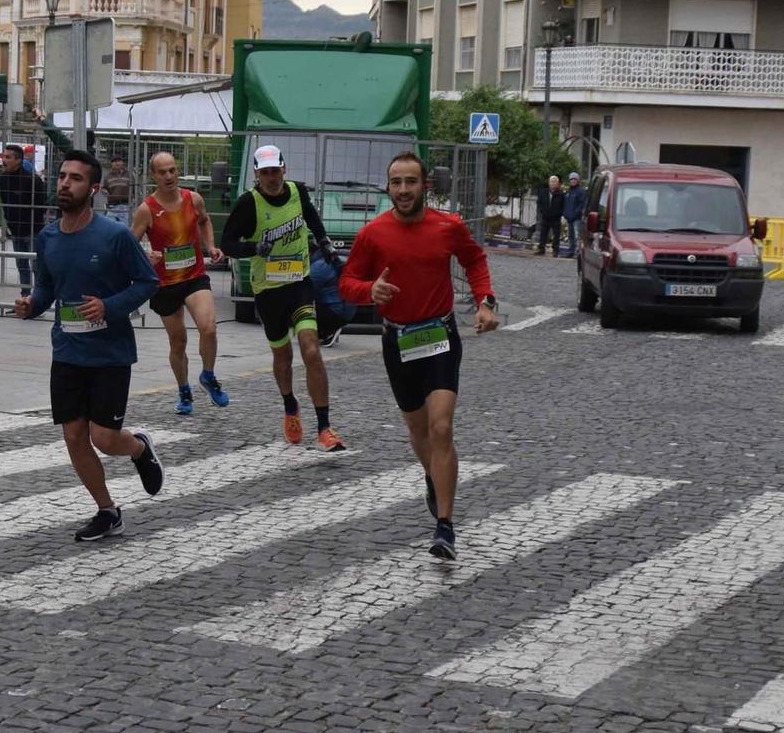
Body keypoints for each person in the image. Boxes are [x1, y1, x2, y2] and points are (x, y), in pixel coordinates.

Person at [340, 151, 499, 561]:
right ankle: (433, 475)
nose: (404, 190)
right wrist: (368, 292)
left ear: (425, 186)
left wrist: (485, 302)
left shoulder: (448, 226)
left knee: (441, 427)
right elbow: (348, 282)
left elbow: (475, 259)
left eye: (412, 182)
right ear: (388, 187)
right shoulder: (372, 234)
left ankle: (444, 525)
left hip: (440, 335)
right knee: (418, 431)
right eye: (397, 182)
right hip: (398, 341)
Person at [12, 150, 165, 541]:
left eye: (75, 178)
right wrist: (32, 303)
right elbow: (48, 286)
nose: (65, 183)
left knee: (104, 438)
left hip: (109, 354)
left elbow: (147, 282)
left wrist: (108, 307)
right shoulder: (47, 237)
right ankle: (107, 511)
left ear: (93, 188)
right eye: (62, 176)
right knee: (74, 436)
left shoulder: (113, 235)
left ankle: (137, 448)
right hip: (67, 352)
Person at [220, 144, 348, 451]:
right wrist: (253, 249)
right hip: (268, 290)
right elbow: (226, 243)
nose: (271, 178)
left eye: (275, 171)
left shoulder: (297, 192)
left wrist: (326, 245)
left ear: (284, 169)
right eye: (265, 173)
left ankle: (325, 427)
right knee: (283, 356)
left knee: (311, 349)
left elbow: (313, 221)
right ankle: (290, 408)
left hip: (298, 283)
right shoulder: (248, 203)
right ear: (256, 174)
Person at [130, 150, 229, 415]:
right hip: (165, 283)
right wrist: (146, 256)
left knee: (208, 328)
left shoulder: (193, 199)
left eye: (172, 170)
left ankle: (208, 375)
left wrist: (210, 245)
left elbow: (205, 221)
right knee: (179, 341)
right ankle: (184, 390)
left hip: (194, 276)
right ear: (154, 176)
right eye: (162, 172)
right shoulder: (146, 210)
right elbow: (129, 245)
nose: (169, 176)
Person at [0, 144, 49, 291]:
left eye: (8, 157)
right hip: (15, 230)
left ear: (18, 160)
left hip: (33, 230)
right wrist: (9, 225)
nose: (3, 160)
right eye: (3, 156)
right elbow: (5, 204)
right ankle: (25, 296)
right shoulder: (3, 179)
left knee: (37, 266)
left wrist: (32, 225)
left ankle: (38, 299)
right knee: (22, 265)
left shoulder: (32, 180)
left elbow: (41, 206)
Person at [537, 175, 565, 256]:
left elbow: (563, 205)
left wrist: (559, 213)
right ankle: (541, 249)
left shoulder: (560, 194)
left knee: (556, 235)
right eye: (551, 182)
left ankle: (555, 250)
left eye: (554, 182)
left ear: (558, 183)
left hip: (556, 218)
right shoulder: (544, 192)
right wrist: (542, 211)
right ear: (549, 183)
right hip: (545, 216)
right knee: (543, 234)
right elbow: (539, 203)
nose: (553, 184)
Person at [560, 173, 586, 257]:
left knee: (577, 236)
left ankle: (578, 253)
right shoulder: (568, 191)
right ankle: (571, 251)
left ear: (578, 180)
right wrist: (565, 213)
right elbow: (565, 203)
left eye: (575, 179)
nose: (573, 180)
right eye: (571, 179)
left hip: (576, 218)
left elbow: (582, 204)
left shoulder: (581, 191)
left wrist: (576, 213)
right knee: (570, 236)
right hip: (569, 218)